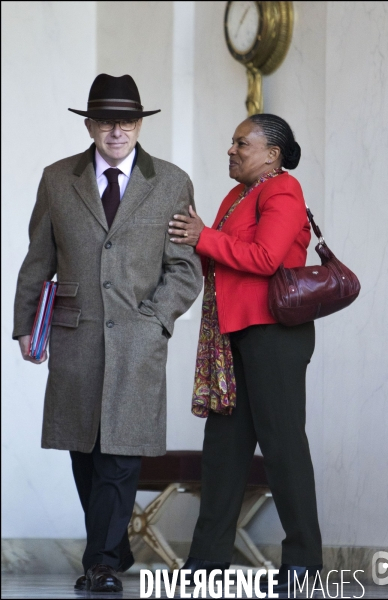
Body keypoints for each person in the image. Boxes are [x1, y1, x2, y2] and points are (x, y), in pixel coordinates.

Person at [13, 73, 203, 593]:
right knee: (84, 451)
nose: (116, 131)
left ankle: (99, 563)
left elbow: (185, 269)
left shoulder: (171, 182)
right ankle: (114, 544)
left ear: (139, 124)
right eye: (106, 121)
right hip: (74, 336)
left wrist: (156, 318)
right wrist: (28, 325)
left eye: (126, 121)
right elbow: (39, 258)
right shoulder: (57, 179)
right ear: (90, 124)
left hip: (138, 340)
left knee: (120, 452)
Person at [168, 113, 323, 594]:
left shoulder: (283, 191)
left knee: (282, 447)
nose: (231, 150)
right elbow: (218, 255)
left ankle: (303, 562)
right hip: (233, 335)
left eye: (242, 143)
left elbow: (265, 258)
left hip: (274, 335)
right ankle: (206, 561)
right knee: (222, 452)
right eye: (232, 142)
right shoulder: (237, 196)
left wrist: (202, 237)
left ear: (272, 155)